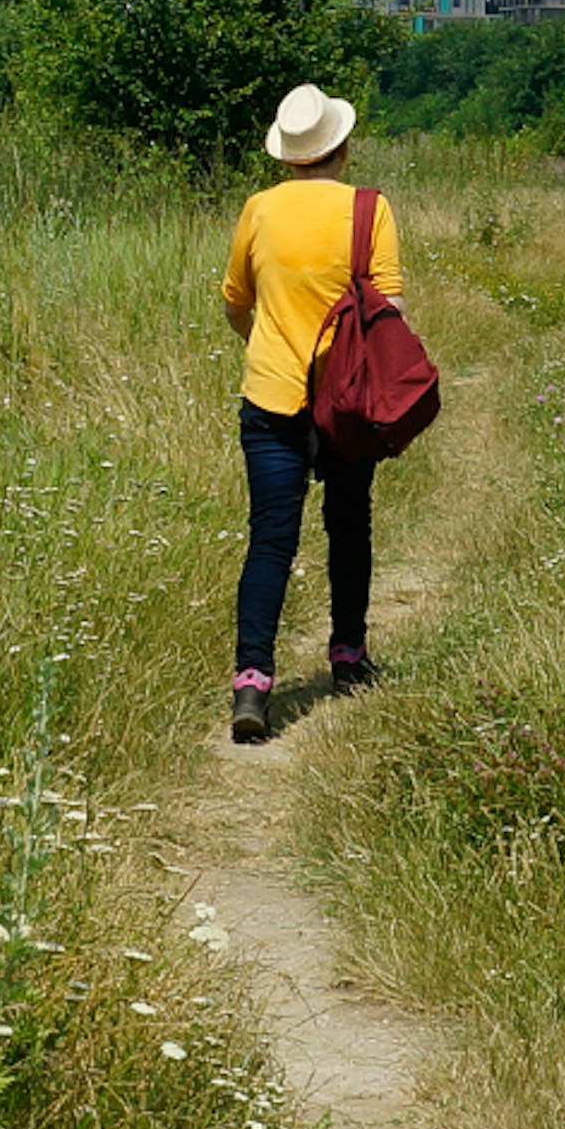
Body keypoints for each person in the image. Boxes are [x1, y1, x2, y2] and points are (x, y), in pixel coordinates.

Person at [217, 81, 401, 744]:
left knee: (270, 539)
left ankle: (252, 684)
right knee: (350, 527)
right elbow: (390, 310)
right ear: (342, 149)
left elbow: (236, 300)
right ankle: (347, 658)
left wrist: (270, 344)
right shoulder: (368, 211)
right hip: (348, 401)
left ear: (289, 155)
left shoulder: (259, 211)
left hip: (271, 396)